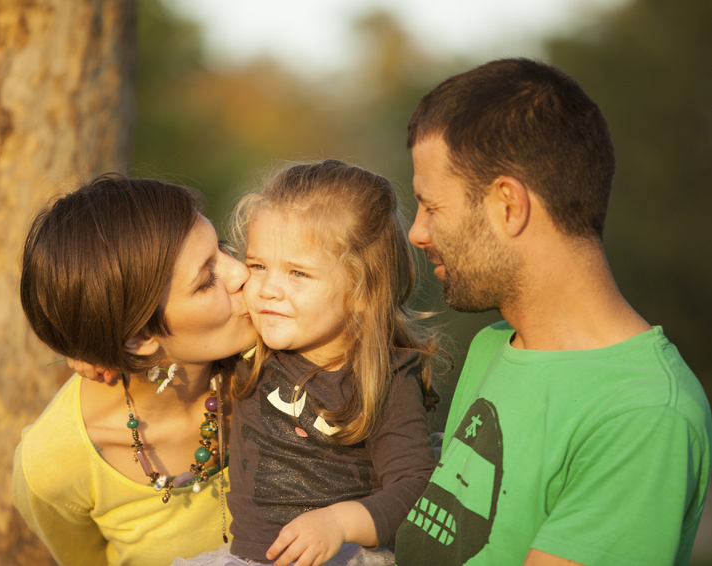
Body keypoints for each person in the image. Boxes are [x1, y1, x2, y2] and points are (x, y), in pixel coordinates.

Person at [394, 58, 712, 566]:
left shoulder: (645, 415)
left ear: (508, 206)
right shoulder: (494, 345)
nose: (417, 232)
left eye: (431, 206)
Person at [174, 159, 442, 566]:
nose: (267, 290)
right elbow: (172, 338)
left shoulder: (383, 377)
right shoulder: (253, 347)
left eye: (298, 273)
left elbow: (415, 489)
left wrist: (338, 523)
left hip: (345, 556)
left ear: (362, 290)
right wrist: (99, 354)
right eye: (258, 265)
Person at [14, 174, 258, 565]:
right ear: (139, 339)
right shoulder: (53, 465)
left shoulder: (280, 358)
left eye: (223, 249)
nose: (241, 273)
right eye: (206, 279)